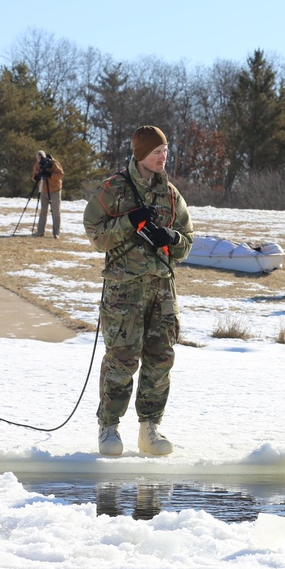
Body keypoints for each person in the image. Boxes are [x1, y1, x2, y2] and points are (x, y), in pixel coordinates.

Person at [83, 126, 193, 457]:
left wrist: (171, 239)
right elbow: (95, 234)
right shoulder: (113, 189)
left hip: (162, 290)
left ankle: (150, 429)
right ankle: (109, 428)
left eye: (165, 151)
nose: (163, 157)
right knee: (121, 360)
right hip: (124, 292)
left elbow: (187, 242)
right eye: (157, 151)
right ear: (140, 154)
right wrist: (128, 222)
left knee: (160, 359)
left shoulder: (171, 195)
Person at [32, 150, 65, 238]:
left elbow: (60, 174)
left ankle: (56, 233)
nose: (39, 159)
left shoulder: (54, 163)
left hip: (55, 190)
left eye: (40, 157)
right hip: (43, 190)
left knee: (55, 212)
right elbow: (34, 175)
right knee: (43, 211)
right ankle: (40, 231)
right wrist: (36, 177)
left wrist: (50, 175)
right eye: (37, 158)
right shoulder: (37, 165)